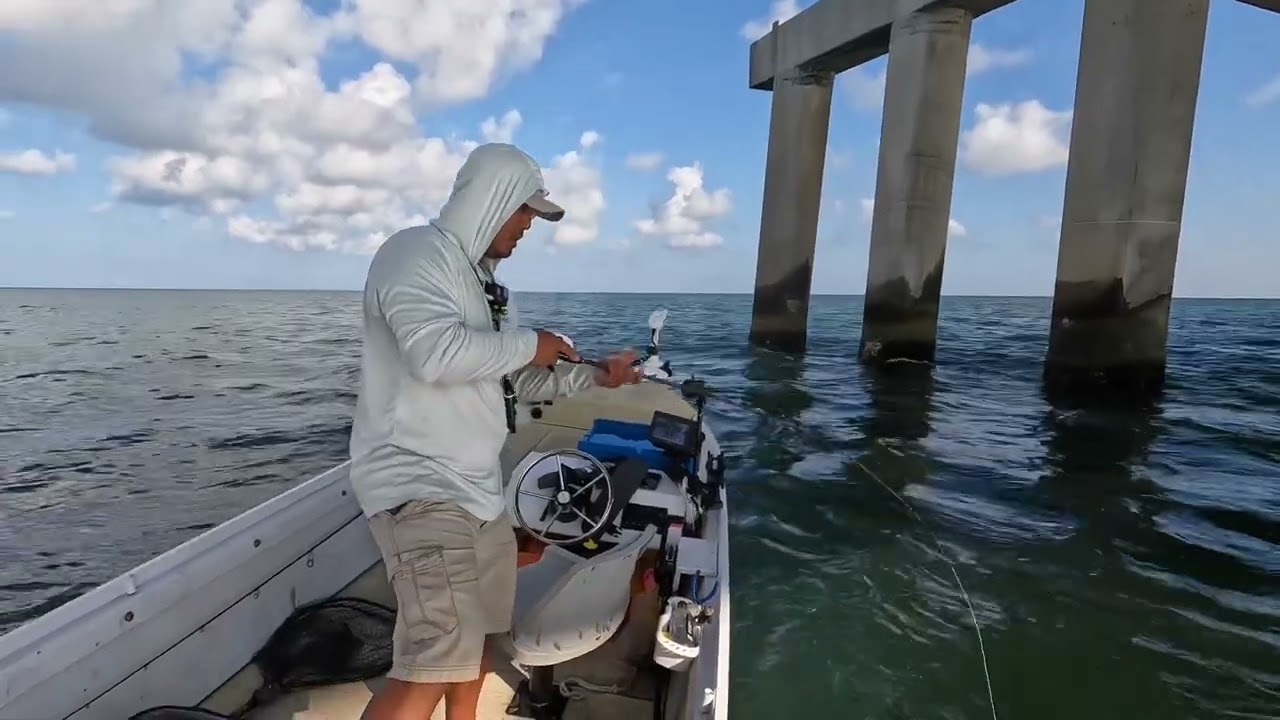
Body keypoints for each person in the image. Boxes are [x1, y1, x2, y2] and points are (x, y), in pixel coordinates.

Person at [348, 142, 642, 720]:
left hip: (479, 493)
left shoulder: (478, 283)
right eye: (525, 210)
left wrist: (593, 379)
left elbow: (503, 384)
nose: (530, 225)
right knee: (432, 665)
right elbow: (435, 355)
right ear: (493, 200)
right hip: (422, 489)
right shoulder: (415, 253)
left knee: (480, 644)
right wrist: (534, 344)